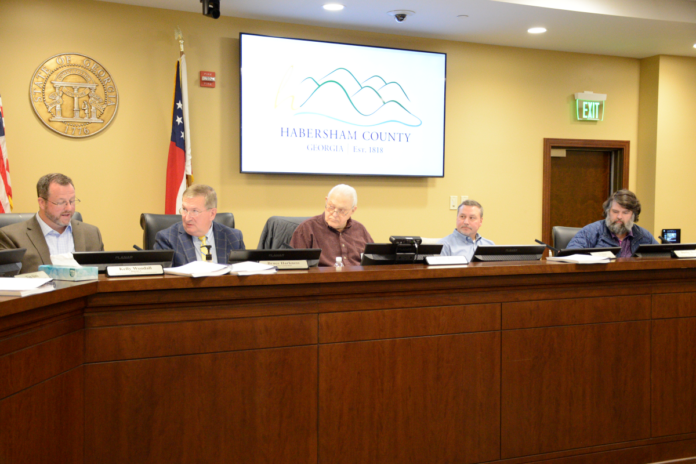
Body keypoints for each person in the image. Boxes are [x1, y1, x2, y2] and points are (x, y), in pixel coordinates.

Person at [0, 173, 104, 274]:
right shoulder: (11, 237)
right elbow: (7, 281)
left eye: (72, 201)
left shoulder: (92, 234)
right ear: (42, 203)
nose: (69, 208)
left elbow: (102, 277)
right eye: (61, 202)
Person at [154, 184, 244, 266]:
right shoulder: (167, 239)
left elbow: (243, 274)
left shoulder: (234, 238)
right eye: (184, 209)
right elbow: (164, 277)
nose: (187, 218)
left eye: (194, 211)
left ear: (212, 214)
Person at [290, 184, 373, 267]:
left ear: (353, 210)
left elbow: (374, 262)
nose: (334, 214)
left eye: (342, 210)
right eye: (331, 207)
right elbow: (294, 266)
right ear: (326, 201)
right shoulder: (307, 229)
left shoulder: (360, 230)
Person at [566, 189, 657, 257]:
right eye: (615, 211)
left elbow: (661, 257)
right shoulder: (591, 231)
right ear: (607, 211)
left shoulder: (644, 236)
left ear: (634, 215)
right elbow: (569, 256)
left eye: (625, 213)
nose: (619, 216)